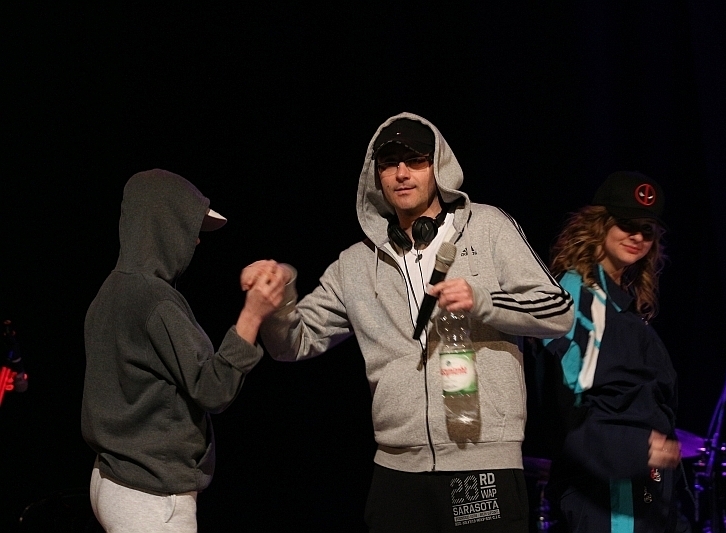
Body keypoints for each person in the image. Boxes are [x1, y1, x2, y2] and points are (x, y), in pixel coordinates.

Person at [242, 112, 574, 532]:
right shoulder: (355, 264)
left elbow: (559, 311)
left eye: (415, 160)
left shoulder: (488, 227)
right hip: (396, 471)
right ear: (376, 176)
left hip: (481, 461)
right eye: (389, 164)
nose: (401, 173)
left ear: (439, 167)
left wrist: (482, 301)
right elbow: (291, 344)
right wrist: (278, 296)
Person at [81, 169, 290, 532]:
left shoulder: (112, 289)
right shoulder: (155, 300)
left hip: (110, 479)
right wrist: (252, 315)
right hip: (150, 496)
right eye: (189, 226)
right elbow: (213, 388)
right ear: (163, 225)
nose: (195, 240)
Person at [535, 171, 683, 533]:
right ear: (598, 225)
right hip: (609, 492)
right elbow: (566, 405)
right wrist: (632, 448)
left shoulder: (624, 306)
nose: (637, 237)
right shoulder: (577, 295)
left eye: (647, 229)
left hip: (646, 489)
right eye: (626, 224)